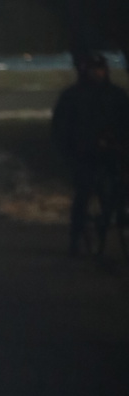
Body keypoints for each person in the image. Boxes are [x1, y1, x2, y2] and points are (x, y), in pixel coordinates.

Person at [50, 51, 129, 255]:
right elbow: (62, 128)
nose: (98, 73)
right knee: (83, 193)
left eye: (101, 69)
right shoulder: (72, 96)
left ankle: (119, 218)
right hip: (84, 153)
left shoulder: (117, 95)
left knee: (120, 188)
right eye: (94, 69)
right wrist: (71, 151)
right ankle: (75, 239)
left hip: (113, 151)